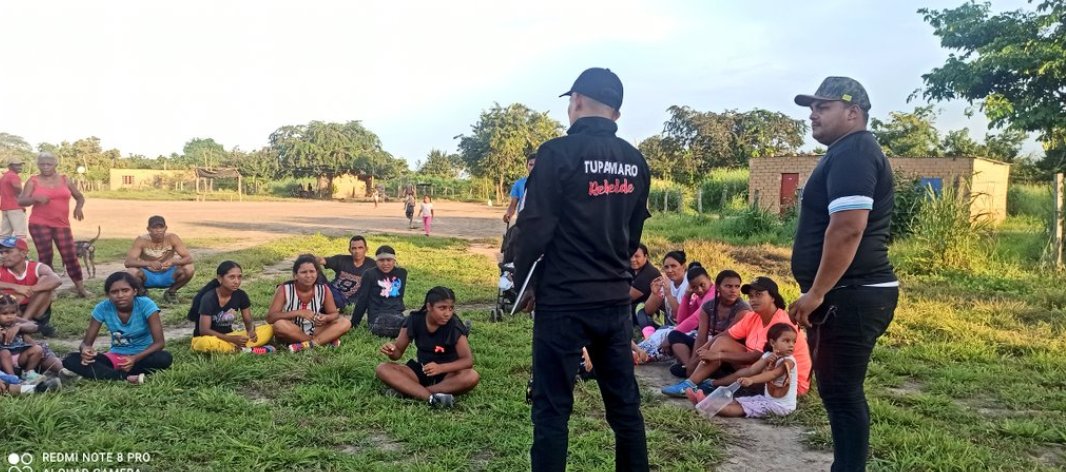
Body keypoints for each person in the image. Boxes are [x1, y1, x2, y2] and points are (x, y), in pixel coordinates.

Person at [514, 67, 651, 471]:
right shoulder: (635, 160)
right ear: (617, 114)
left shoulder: (556, 153)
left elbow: (533, 228)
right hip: (613, 301)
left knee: (552, 409)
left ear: (575, 101)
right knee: (625, 407)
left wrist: (523, 286)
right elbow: (632, 237)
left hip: (563, 300)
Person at [789, 77, 899, 471]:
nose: (812, 115)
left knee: (842, 393)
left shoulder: (854, 152)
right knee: (838, 392)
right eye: (811, 108)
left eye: (823, 107)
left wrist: (817, 292)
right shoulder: (845, 151)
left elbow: (849, 226)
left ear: (853, 112)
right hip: (850, 292)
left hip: (852, 293)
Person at [662, 277, 810, 399]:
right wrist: (703, 352)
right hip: (757, 366)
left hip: (782, 379)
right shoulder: (753, 316)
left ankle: (707, 384)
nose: (753, 300)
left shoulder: (781, 322)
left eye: (759, 295)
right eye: (751, 296)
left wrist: (717, 355)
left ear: (773, 297)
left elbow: (758, 357)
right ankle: (692, 383)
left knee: (722, 360)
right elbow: (725, 336)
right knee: (720, 342)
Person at [375, 286, 479, 408]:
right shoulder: (414, 320)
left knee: (472, 376)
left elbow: (467, 361)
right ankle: (431, 397)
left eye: (451, 308)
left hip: (448, 375)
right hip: (422, 370)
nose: (447, 314)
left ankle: (412, 391)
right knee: (382, 368)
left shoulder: (454, 325)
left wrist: (440, 368)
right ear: (429, 307)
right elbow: (397, 353)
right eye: (442, 308)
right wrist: (391, 351)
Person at [61, 272, 172, 384]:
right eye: (114, 292)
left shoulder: (146, 305)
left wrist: (134, 359)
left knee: (164, 358)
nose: (120, 295)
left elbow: (159, 343)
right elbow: (86, 343)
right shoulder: (102, 308)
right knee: (70, 359)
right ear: (108, 295)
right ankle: (125, 377)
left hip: (143, 356)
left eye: (125, 290)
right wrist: (86, 350)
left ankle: (110, 374)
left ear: (134, 291)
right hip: (116, 358)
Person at [18, 151, 89, 297]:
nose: (45, 167)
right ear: (38, 165)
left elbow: (79, 197)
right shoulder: (33, 181)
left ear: (55, 164)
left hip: (62, 224)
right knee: (46, 257)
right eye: (42, 164)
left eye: (49, 164)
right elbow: (21, 201)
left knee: (70, 256)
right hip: (39, 224)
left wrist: (78, 207)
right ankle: (49, 290)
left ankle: (81, 289)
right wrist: (35, 198)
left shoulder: (65, 180)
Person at [691, 323, 799, 418]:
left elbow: (772, 374)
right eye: (786, 341)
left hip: (781, 407)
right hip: (768, 399)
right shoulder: (768, 355)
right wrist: (765, 361)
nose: (791, 345)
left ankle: (709, 407)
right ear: (773, 342)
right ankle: (704, 402)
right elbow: (753, 369)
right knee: (740, 401)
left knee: (741, 408)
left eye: (793, 342)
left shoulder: (789, 361)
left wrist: (751, 380)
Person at [266, 254, 352, 352]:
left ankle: (309, 344)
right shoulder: (284, 289)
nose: (308, 276)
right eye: (303, 272)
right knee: (279, 325)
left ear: (317, 273)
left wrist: (325, 318)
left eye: (312, 271)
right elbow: (270, 318)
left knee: (345, 322)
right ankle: (322, 341)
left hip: (315, 329)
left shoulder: (323, 289)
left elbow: (334, 314)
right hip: (292, 329)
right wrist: (299, 312)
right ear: (295, 275)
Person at [189, 261, 275, 354]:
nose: (237, 281)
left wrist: (251, 331)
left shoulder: (241, 295)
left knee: (269, 329)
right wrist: (231, 339)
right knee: (206, 343)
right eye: (232, 277)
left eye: (239, 277)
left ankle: (238, 349)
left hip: (230, 336)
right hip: (207, 338)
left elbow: (248, 321)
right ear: (220, 278)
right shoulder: (209, 298)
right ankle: (246, 350)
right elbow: (204, 331)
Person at [125, 215, 195, 303]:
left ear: (165, 228)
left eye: (161, 227)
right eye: (154, 227)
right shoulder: (141, 240)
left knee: (189, 268)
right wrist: (149, 263)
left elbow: (189, 258)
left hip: (168, 273)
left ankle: (171, 292)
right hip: (148, 275)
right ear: (148, 229)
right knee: (131, 271)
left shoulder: (172, 238)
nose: (158, 230)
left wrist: (173, 261)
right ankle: (142, 292)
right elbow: (128, 262)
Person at [0, 236, 62, 336]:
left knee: (45, 281)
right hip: (12, 312)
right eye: (1, 252)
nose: (3, 255)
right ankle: (28, 326)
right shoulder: (1, 270)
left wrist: (29, 291)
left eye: (8, 252)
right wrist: (16, 287)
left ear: (23, 253)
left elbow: (57, 280)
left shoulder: (36, 267)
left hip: (37, 311)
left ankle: (24, 322)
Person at [662, 263, 716, 377]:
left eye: (702, 285)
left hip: (714, 339)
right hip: (702, 336)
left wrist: (672, 333)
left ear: (709, 279)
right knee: (675, 336)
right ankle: (691, 369)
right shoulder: (699, 296)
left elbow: (696, 319)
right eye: (694, 287)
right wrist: (687, 295)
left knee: (673, 335)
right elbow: (682, 320)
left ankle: (692, 371)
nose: (699, 289)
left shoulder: (713, 294)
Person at [351, 245, 408, 337]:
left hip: (397, 314)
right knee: (408, 327)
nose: (385, 263)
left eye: (389, 260)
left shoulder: (401, 273)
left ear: (394, 261)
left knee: (418, 320)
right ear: (376, 261)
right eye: (381, 260)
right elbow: (362, 300)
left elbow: (399, 297)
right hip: (377, 317)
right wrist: (353, 323)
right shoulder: (370, 274)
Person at [316, 235, 373, 311]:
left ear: (366, 249)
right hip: (330, 289)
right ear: (349, 250)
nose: (357, 251)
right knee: (315, 275)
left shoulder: (372, 265)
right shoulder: (342, 259)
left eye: (360, 248)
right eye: (354, 248)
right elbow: (322, 260)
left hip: (343, 299)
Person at [639, 250, 688, 326]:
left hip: (686, 326)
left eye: (673, 266)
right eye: (666, 267)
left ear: (683, 266)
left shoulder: (690, 284)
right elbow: (648, 311)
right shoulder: (666, 281)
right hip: (670, 324)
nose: (669, 270)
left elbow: (680, 317)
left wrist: (668, 294)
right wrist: (654, 294)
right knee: (641, 312)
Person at [629, 244, 661, 328]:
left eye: (637, 256)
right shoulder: (631, 268)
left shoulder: (649, 273)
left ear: (645, 256)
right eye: (630, 255)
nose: (632, 259)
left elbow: (627, 297)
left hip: (650, 312)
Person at [503, 154, 536, 224]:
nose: (533, 167)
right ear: (526, 166)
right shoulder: (519, 184)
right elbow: (513, 204)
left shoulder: (548, 183)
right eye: (531, 165)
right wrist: (508, 214)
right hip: (523, 222)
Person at [0, 157, 28, 239]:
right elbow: (18, 188)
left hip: (5, 208)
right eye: (17, 165)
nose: (20, 167)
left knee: (5, 234)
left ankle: (3, 251)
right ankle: (23, 252)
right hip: (15, 208)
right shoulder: (14, 176)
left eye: (20, 165)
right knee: (21, 233)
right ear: (10, 166)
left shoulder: (4, 177)